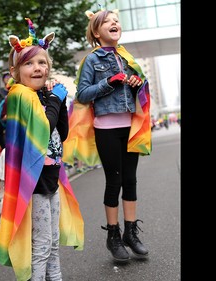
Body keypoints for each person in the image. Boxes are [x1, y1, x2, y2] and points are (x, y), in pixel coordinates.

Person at [0, 18, 84, 281]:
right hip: (32, 181)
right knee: (42, 243)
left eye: (42, 62)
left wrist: (58, 99)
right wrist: (56, 99)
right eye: (29, 62)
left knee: (53, 240)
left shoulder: (43, 96)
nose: (37, 68)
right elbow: (43, 127)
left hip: (50, 177)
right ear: (15, 70)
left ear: (49, 67)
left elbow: (62, 133)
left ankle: (54, 276)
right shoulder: (20, 94)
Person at [63, 8, 152, 261]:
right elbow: (82, 94)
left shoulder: (126, 57)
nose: (115, 24)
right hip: (106, 129)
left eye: (116, 21)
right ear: (96, 31)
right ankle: (113, 235)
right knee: (115, 181)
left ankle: (131, 233)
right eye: (108, 22)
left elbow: (141, 88)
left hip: (130, 126)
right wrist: (108, 82)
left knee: (131, 180)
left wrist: (137, 83)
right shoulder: (92, 59)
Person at [0, 72, 12, 150]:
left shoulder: (17, 92)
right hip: (3, 129)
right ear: (3, 80)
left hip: (15, 127)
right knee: (5, 150)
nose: (8, 78)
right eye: (6, 77)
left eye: (10, 76)